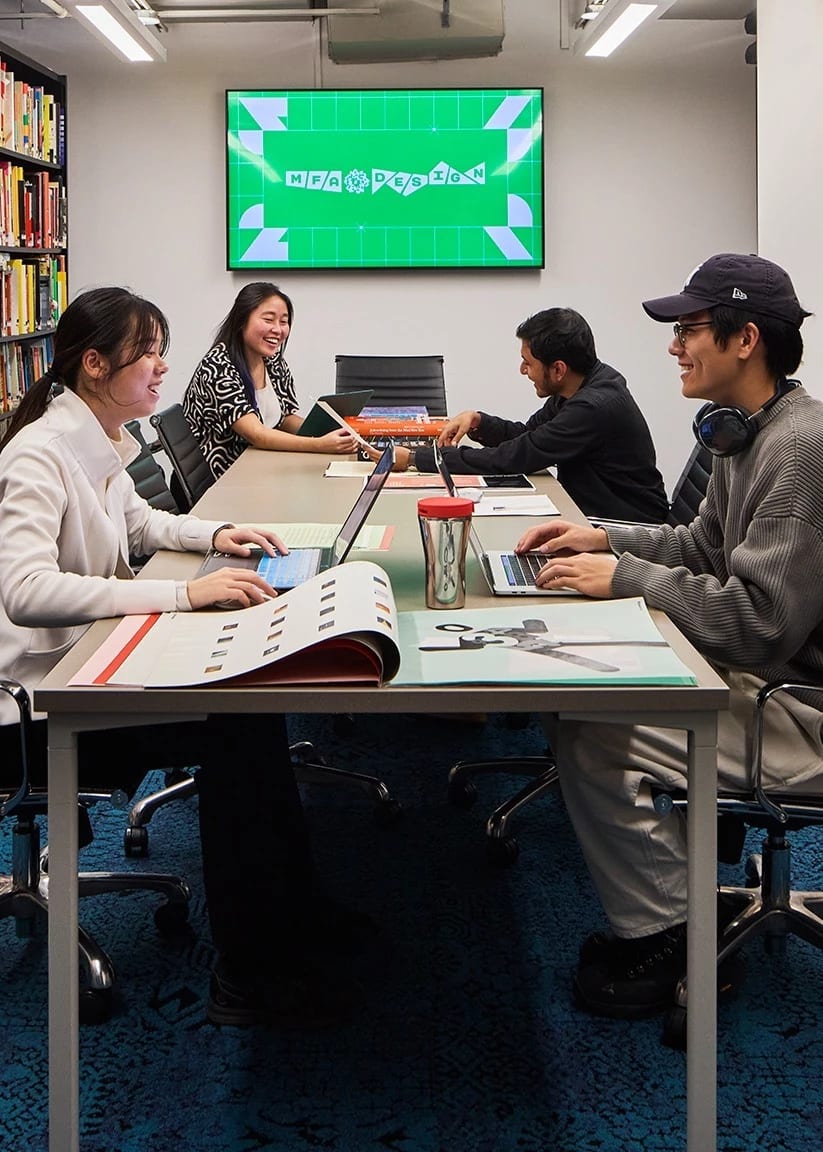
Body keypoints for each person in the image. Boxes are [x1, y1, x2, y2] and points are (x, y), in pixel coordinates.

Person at [0, 286, 367, 1028]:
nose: (163, 368)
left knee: (248, 709)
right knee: (233, 722)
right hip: (37, 704)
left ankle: (294, 909)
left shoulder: (99, 436)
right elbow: (27, 591)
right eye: (148, 352)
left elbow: (140, 525)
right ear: (96, 364)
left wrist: (219, 533)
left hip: (92, 661)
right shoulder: (38, 454)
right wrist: (182, 599)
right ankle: (251, 970)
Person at [514, 253, 823, 1019]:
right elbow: (699, 548)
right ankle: (677, 903)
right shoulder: (746, 431)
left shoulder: (798, 451)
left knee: (592, 726)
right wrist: (601, 538)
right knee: (584, 689)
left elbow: (754, 624)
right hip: (768, 675)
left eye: (687, 330)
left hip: (802, 708)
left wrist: (622, 577)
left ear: (743, 338)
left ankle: (667, 932)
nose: (672, 346)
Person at [389, 307, 668, 524]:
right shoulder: (580, 385)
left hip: (624, 528)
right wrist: (478, 421)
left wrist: (417, 458)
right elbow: (528, 435)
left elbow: (515, 456)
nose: (523, 371)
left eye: (528, 363)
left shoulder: (591, 407)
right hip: (594, 514)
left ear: (558, 369)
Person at [183, 282, 357, 480]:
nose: (278, 329)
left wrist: (329, 432)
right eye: (268, 320)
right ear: (242, 321)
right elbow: (256, 434)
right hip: (221, 479)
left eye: (284, 322)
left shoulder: (273, 362)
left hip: (261, 469)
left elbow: (285, 418)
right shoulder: (218, 366)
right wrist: (320, 445)